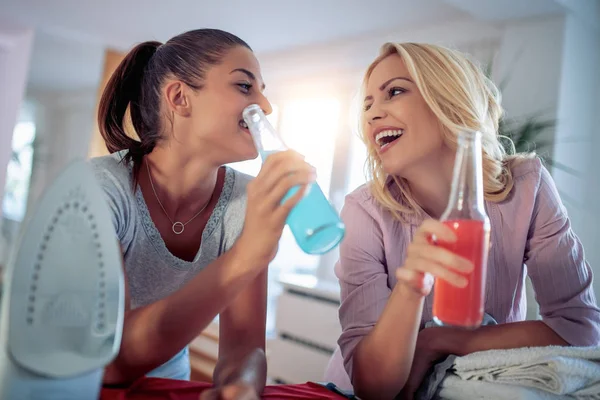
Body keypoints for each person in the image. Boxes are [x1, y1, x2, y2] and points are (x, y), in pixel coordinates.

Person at [333, 42, 600, 400]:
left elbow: (581, 328)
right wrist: (411, 288)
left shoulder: (527, 186)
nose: (372, 115)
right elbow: (372, 386)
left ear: (448, 98)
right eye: (367, 105)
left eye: (393, 92)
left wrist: (441, 340)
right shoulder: (364, 210)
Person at [91, 28, 318, 399]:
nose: (266, 105)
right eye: (245, 86)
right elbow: (109, 358)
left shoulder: (247, 198)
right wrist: (249, 254)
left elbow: (245, 347)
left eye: (263, 90)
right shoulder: (103, 189)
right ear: (180, 98)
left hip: (171, 385)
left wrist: (239, 386)